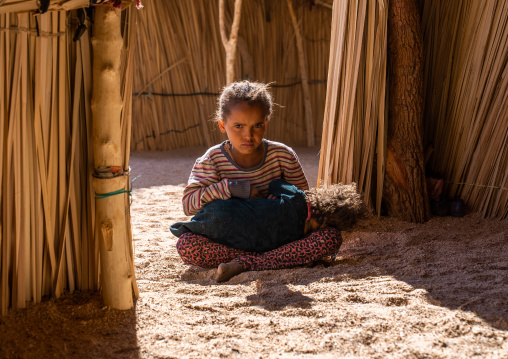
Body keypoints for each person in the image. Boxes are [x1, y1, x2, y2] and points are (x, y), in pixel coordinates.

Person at [176, 80, 350, 282]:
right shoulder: (211, 160)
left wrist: (278, 204)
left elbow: (305, 201)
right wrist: (232, 189)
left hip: (279, 240)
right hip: (231, 240)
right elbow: (189, 204)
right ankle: (264, 261)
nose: (248, 135)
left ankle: (244, 263)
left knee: (330, 238)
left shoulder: (283, 155)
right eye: (238, 126)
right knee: (186, 245)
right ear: (222, 126)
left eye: (257, 125)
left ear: (266, 124)